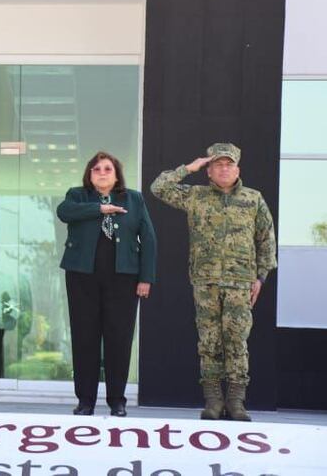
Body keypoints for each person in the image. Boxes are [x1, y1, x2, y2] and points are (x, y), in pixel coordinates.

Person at [150, 143, 276, 422]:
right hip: (205, 282)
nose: (224, 169)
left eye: (229, 164)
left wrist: (261, 277)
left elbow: (266, 240)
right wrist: (189, 167)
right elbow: (159, 188)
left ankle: (236, 402)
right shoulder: (196, 196)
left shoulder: (253, 199)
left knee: (237, 341)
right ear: (209, 171)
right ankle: (214, 401)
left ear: (238, 169)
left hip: (241, 282)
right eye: (218, 164)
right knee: (209, 342)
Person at [56, 152, 157, 417]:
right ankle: (85, 400)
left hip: (124, 278)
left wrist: (145, 278)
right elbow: (64, 212)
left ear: (117, 174)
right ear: (89, 174)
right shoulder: (78, 195)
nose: (102, 173)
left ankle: (117, 400)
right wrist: (99, 209)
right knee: (84, 337)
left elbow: (148, 238)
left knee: (119, 338)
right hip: (82, 277)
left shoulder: (133, 198)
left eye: (107, 169)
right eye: (97, 169)